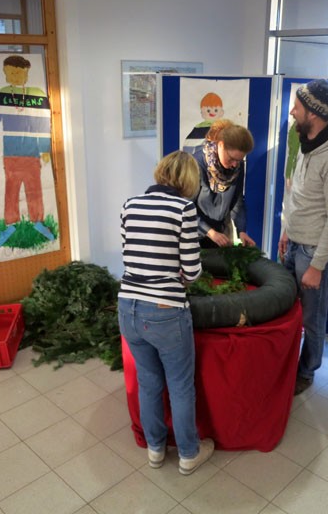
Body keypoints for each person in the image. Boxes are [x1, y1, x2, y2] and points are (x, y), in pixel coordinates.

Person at [117, 150, 215, 476]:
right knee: (180, 386)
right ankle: (188, 453)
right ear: (189, 181)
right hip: (165, 311)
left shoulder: (130, 205)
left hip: (127, 307)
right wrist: (179, 274)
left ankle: (155, 450)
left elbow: (130, 255)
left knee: (148, 383)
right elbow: (193, 271)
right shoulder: (184, 209)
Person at [278, 80, 328, 395]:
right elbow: (297, 194)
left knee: (312, 318)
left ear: (313, 112)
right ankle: (284, 365)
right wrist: (286, 230)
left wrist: (317, 266)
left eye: (297, 107)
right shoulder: (305, 143)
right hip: (295, 242)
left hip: (314, 253)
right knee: (285, 309)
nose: (292, 112)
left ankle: (306, 372)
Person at [0, 54, 54, 248]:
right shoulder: (1, 95)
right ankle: (10, 224)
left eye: (19, 73)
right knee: (11, 189)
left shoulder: (37, 95)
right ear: (5, 73)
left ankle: (38, 221)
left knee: (34, 188)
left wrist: (45, 148)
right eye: (11, 73)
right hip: (11, 154)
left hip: (32, 154)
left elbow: (43, 122)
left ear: (27, 73)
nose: (16, 76)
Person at [193, 119, 256, 247]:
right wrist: (210, 232)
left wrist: (241, 231)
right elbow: (186, 208)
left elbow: (237, 202)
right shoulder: (196, 164)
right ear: (220, 145)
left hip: (220, 232)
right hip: (195, 236)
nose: (235, 165)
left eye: (239, 160)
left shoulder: (237, 166)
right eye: (231, 159)